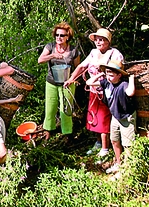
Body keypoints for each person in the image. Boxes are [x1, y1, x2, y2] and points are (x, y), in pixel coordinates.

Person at [64, 28, 123, 158]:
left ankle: (105, 148)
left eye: (101, 40)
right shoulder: (93, 53)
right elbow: (82, 67)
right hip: (93, 90)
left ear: (108, 42)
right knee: (94, 117)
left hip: (107, 91)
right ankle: (98, 142)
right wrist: (71, 79)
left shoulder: (114, 54)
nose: (98, 42)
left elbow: (118, 71)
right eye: (97, 39)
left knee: (104, 119)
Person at [86, 60, 135, 175]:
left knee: (127, 145)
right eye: (107, 74)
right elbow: (89, 82)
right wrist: (100, 74)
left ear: (119, 75)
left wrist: (131, 78)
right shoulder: (106, 83)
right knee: (114, 140)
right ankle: (118, 163)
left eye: (112, 75)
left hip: (126, 117)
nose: (109, 77)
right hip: (115, 116)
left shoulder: (123, 85)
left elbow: (131, 92)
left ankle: (127, 169)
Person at [37, 22, 81, 140]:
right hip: (51, 81)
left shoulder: (73, 51)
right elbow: (40, 60)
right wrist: (53, 56)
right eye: (57, 35)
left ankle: (67, 132)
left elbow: (78, 68)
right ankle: (48, 130)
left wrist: (73, 79)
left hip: (67, 83)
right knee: (50, 107)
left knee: (65, 108)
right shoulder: (50, 47)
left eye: (62, 35)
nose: (59, 38)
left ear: (68, 37)